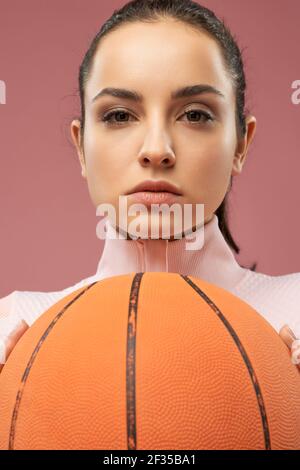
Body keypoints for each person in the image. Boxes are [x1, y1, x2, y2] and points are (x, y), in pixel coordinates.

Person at [0, 0, 299, 373]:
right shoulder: (16, 327)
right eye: (120, 115)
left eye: (194, 115)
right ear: (81, 147)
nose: (157, 150)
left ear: (240, 144)